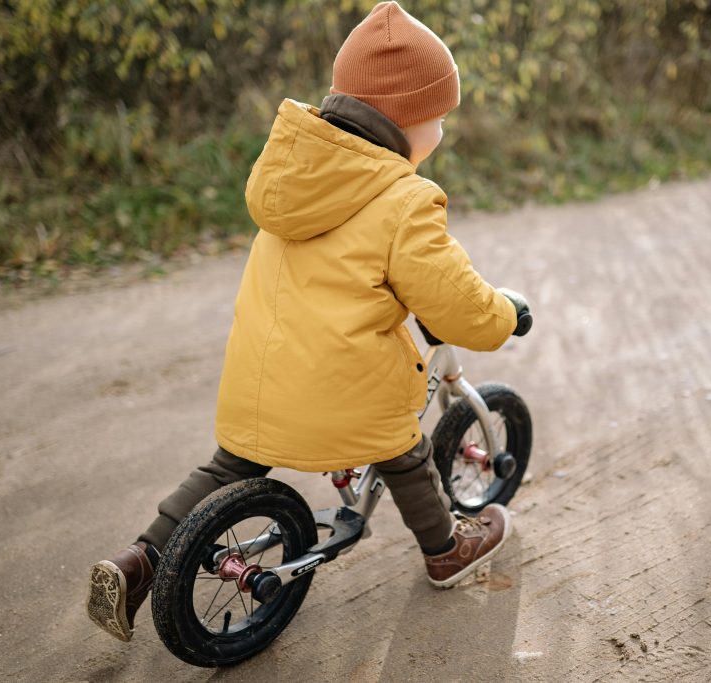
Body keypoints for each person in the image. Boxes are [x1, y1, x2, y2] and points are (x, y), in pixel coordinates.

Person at [86, 1, 531, 642]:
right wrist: (504, 316)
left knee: (230, 466)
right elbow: (455, 302)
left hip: (260, 387)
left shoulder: (292, 177)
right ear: (404, 119)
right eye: (438, 117)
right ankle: (445, 551)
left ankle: (139, 561)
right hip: (343, 400)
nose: (442, 131)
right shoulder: (405, 200)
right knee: (403, 448)